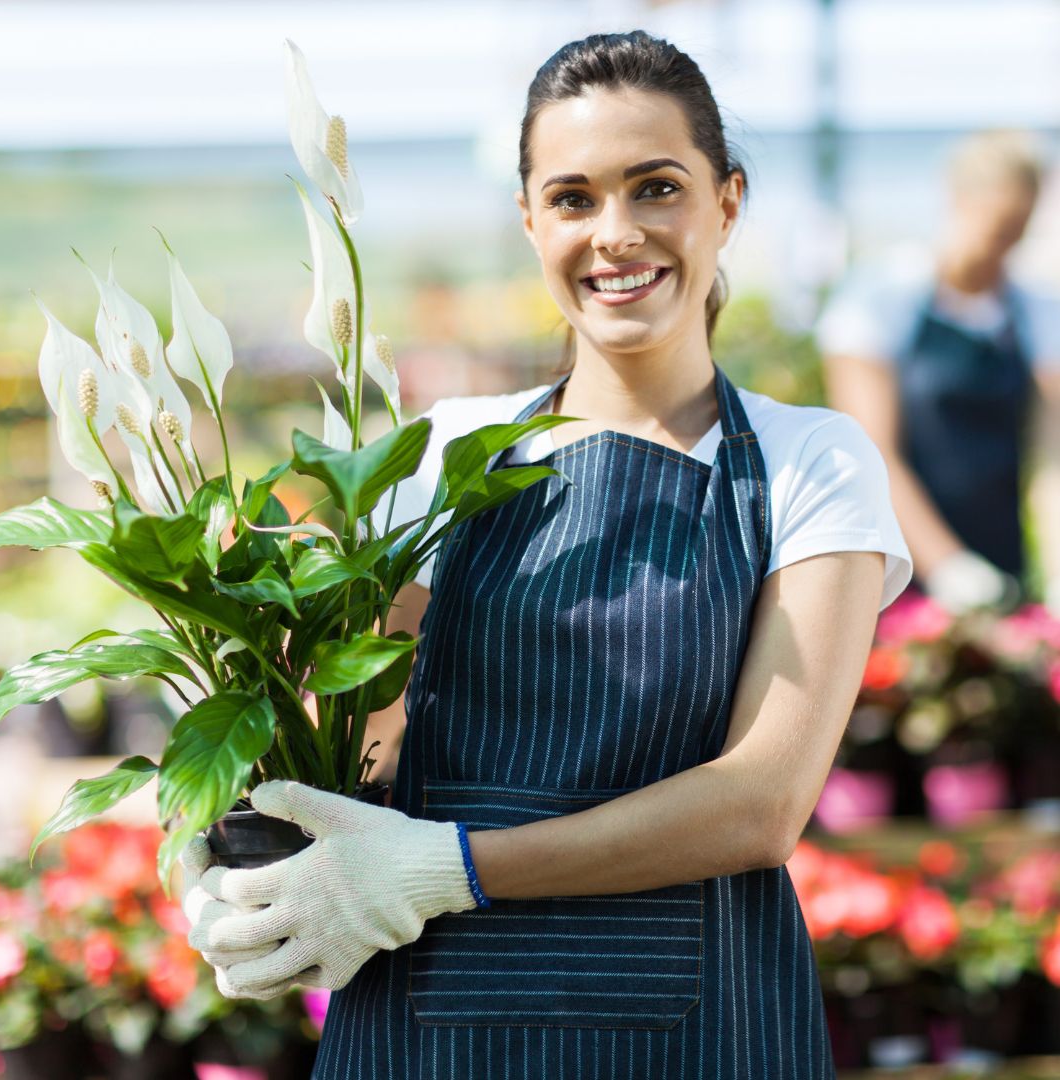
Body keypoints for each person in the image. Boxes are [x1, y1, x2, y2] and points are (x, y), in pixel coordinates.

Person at [181, 31, 911, 1077]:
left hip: (702, 1027)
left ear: (728, 203)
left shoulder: (809, 462)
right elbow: (361, 747)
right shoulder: (439, 453)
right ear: (530, 220)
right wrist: (222, 852)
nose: (616, 234)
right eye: (572, 198)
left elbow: (760, 802)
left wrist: (450, 868)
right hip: (432, 1024)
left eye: (655, 188)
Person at [818, 131, 1060, 615]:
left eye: (1018, 232)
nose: (1002, 250)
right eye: (998, 229)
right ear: (959, 201)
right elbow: (872, 452)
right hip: (900, 573)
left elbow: (1050, 458)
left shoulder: (1037, 312)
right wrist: (947, 566)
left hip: (999, 566)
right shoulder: (880, 297)